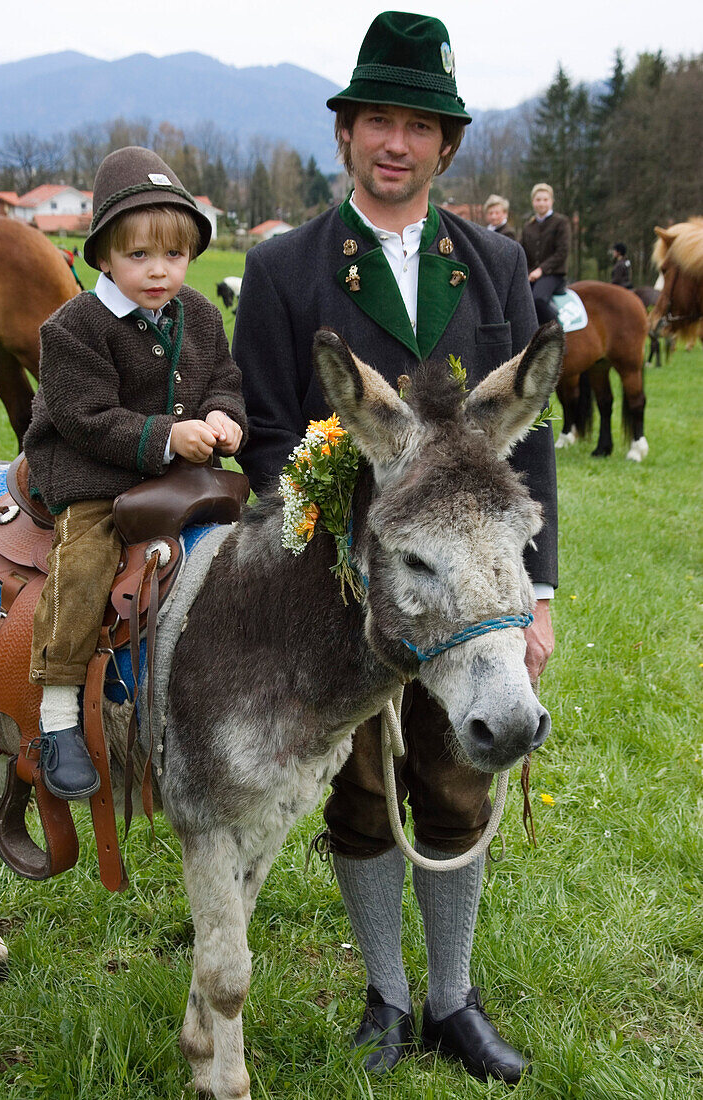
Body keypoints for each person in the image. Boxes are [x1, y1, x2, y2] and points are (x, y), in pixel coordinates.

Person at [233, 11, 557, 1086]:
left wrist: (538, 593)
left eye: (418, 125)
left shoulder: (496, 260)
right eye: (377, 118)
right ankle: (383, 993)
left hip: (469, 595)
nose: (396, 142)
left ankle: (452, 999)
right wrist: (336, 500)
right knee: (361, 792)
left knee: (459, 781)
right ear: (345, 133)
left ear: (445, 147)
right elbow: (272, 431)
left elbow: (528, 437)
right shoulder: (283, 270)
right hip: (341, 593)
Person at [24, 146, 247, 801]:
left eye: (173, 256)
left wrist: (224, 416)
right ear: (103, 257)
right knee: (88, 558)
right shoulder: (73, 327)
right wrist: (166, 435)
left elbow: (225, 381)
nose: (158, 271)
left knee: (237, 554)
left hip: (177, 476)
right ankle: (58, 713)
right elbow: (85, 416)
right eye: (139, 256)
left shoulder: (200, 315)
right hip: (92, 473)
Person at [520, 182, 571, 324]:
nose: (541, 203)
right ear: (533, 202)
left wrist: (541, 270)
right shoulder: (528, 226)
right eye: (538, 199)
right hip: (531, 275)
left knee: (538, 299)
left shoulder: (561, 222)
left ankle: (557, 332)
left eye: (545, 199)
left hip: (553, 274)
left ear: (551, 201)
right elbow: (521, 251)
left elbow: (562, 252)